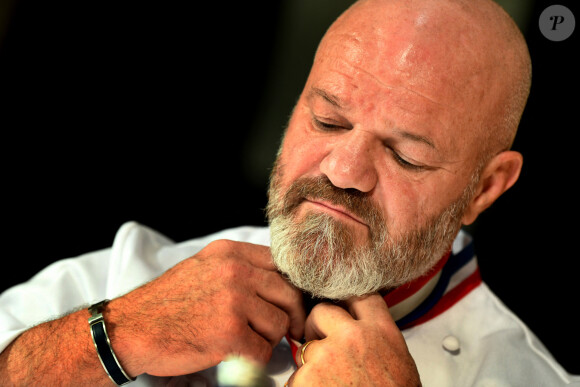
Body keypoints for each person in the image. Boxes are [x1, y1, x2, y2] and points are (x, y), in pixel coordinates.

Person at [0, 0, 578, 385]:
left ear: (486, 187)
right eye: (327, 120)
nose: (344, 170)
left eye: (406, 154)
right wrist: (117, 337)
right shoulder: (134, 279)